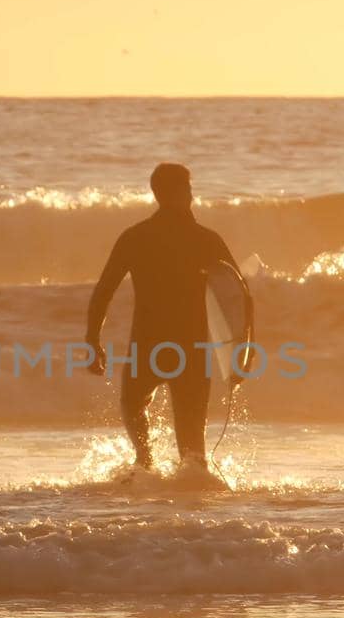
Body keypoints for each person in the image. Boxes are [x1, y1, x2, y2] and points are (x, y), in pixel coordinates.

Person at [85, 163, 241, 473]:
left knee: (133, 407)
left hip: (148, 345)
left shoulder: (135, 237)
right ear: (182, 193)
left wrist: (93, 340)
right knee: (193, 448)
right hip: (191, 348)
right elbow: (237, 295)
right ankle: (194, 503)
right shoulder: (205, 239)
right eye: (189, 190)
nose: (192, 197)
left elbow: (104, 290)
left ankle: (146, 467)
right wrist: (239, 352)